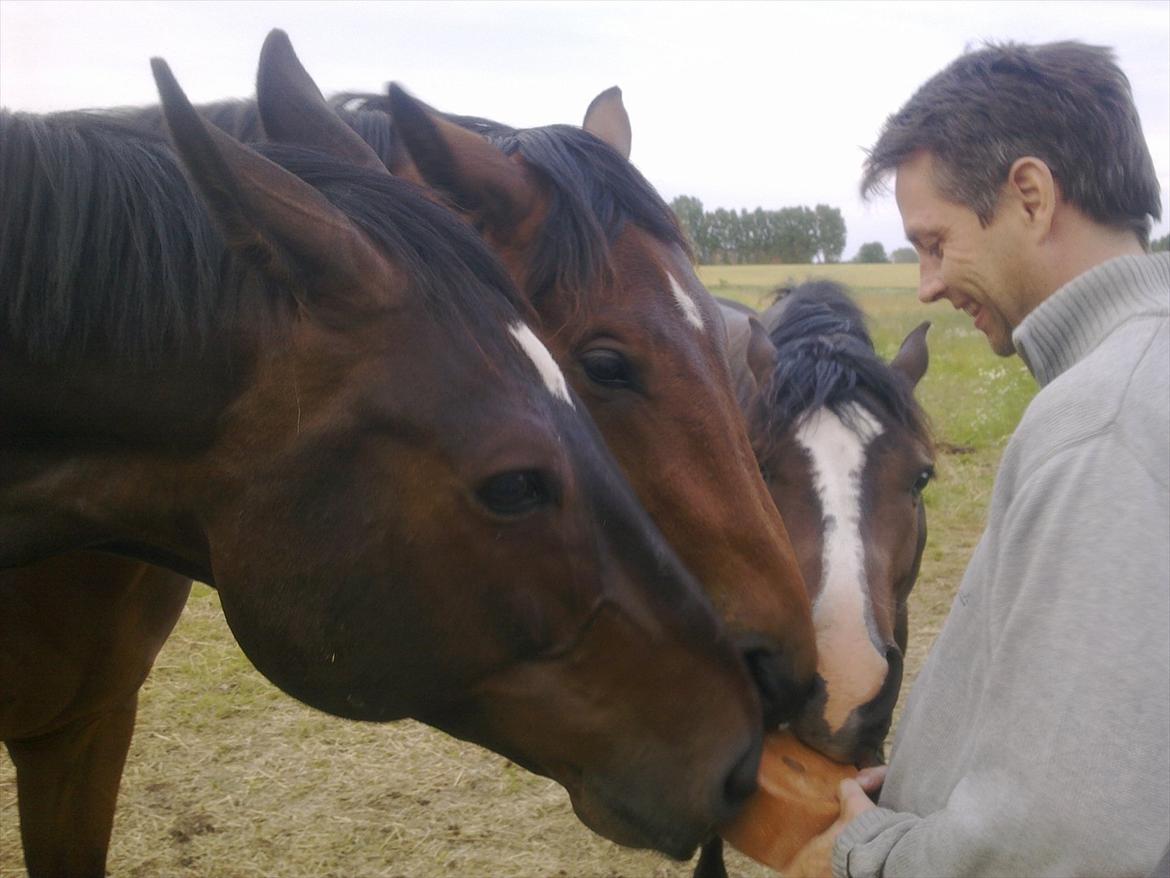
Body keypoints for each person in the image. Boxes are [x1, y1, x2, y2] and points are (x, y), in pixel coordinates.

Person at [784, 41, 1170, 877]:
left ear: (1029, 195)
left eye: (934, 241)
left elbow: (1067, 841)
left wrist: (880, 857)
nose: (925, 284)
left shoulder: (1102, 419)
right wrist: (940, 787)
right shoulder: (1141, 379)